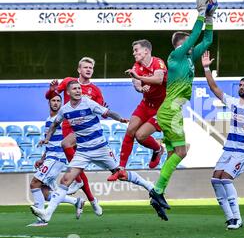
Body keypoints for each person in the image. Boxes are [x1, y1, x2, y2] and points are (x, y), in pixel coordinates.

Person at [30, 81, 168, 222]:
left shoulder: (88, 103)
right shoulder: (65, 109)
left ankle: (150, 186)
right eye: (75, 89)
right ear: (69, 92)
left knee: (120, 174)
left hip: (100, 148)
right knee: (65, 180)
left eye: (79, 88)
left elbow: (107, 112)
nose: (78, 91)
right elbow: (54, 124)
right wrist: (47, 138)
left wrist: (119, 118)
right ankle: (47, 214)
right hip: (83, 151)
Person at [148, 0, 215, 213]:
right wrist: (200, 15)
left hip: (172, 110)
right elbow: (196, 36)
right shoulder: (175, 56)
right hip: (170, 111)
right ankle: (156, 191)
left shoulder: (187, 57)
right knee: (181, 152)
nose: (191, 44)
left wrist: (210, 18)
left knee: (173, 153)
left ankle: (158, 193)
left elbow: (206, 41)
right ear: (180, 44)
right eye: (186, 41)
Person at [202, 51, 244, 229]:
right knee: (215, 179)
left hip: (243, 150)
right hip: (229, 148)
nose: (242, 87)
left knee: (226, 179)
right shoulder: (232, 102)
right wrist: (206, 68)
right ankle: (230, 218)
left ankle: (238, 219)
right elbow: (214, 88)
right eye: (240, 85)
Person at [45, 57, 104, 215]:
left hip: (83, 130)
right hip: (67, 126)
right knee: (76, 167)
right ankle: (92, 200)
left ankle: (80, 186)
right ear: (79, 69)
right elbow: (51, 96)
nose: (88, 69)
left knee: (70, 153)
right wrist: (52, 90)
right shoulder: (69, 82)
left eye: (91, 67)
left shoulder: (95, 90)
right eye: (85, 67)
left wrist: (104, 110)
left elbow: (100, 112)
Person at [107, 39, 167, 182]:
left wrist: (139, 77)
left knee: (140, 136)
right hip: (146, 104)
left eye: (136, 50)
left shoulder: (158, 62)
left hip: (161, 108)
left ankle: (158, 149)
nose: (134, 53)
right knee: (130, 130)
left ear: (146, 51)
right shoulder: (137, 66)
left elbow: (159, 79)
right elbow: (137, 84)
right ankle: (121, 169)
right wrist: (141, 88)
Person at [28, 92, 84, 226]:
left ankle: (41, 219)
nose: (56, 103)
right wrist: (42, 158)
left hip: (57, 157)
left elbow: (74, 135)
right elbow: (50, 142)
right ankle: (76, 202)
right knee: (45, 192)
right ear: (49, 103)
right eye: (53, 100)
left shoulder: (64, 119)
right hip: (50, 156)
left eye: (59, 101)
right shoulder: (48, 120)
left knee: (34, 183)